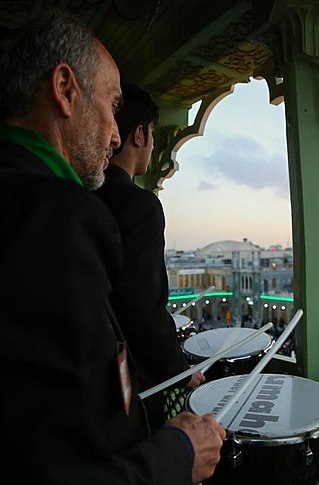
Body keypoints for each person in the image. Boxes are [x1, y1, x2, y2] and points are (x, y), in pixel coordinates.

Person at [0, 9, 224, 484]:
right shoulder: (55, 218)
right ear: (64, 90)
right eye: (111, 104)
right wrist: (177, 454)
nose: (116, 134)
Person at [94, 83, 204, 429]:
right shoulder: (139, 206)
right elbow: (142, 307)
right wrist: (179, 371)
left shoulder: (83, 196)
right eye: (153, 133)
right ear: (139, 135)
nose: (154, 144)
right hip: (131, 386)